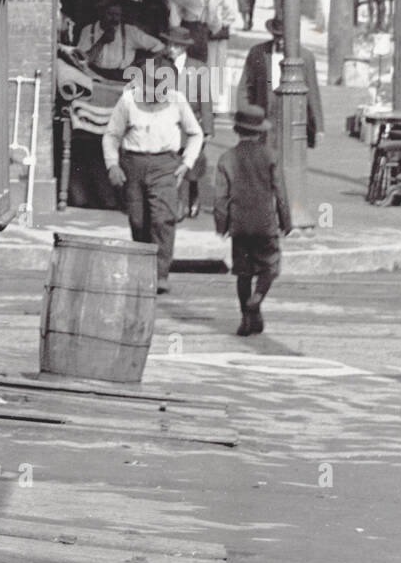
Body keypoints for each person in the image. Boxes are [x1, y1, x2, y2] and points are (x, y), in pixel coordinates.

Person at [102, 56, 204, 294]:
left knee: (162, 220)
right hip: (133, 164)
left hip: (165, 165)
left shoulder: (177, 101)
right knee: (138, 220)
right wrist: (112, 165)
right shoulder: (128, 100)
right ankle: (141, 272)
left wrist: (187, 163)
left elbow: (195, 133)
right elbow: (111, 135)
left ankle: (160, 275)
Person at [213, 104, 292, 336]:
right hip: (265, 223)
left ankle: (246, 318)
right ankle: (256, 300)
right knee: (270, 266)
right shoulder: (271, 156)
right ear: (260, 131)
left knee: (243, 272)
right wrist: (286, 221)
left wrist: (222, 224)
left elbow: (220, 197)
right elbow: (281, 192)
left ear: (238, 130)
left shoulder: (227, 158)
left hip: (239, 225)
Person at [238, 14, 323, 149]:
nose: (281, 41)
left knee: (289, 154)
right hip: (265, 115)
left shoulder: (306, 57)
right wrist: (244, 112)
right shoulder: (258, 52)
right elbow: (245, 85)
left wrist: (318, 127)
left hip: (292, 117)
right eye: (277, 36)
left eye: (284, 37)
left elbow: (313, 92)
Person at [166, 26, 212, 219]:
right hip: (168, 120)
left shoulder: (198, 68)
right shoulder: (160, 66)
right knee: (171, 162)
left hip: (191, 120)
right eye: (170, 44)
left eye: (176, 46)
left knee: (191, 161)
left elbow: (206, 100)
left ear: (184, 47)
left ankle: (193, 195)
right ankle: (177, 205)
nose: (172, 49)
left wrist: (208, 128)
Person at [76, 0, 165, 79]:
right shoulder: (88, 30)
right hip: (95, 77)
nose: (114, 19)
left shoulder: (130, 31)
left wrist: (140, 63)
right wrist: (102, 41)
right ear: (101, 13)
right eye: (110, 14)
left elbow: (159, 46)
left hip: (121, 78)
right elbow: (82, 61)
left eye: (117, 15)